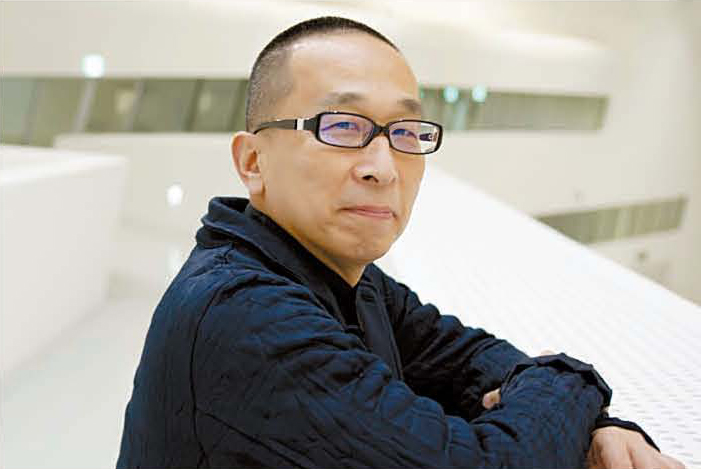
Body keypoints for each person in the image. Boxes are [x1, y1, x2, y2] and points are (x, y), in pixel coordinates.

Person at [116, 16, 686, 469]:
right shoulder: (246, 315)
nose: (384, 167)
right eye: (342, 126)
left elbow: (468, 360)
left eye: (406, 133)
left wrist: (600, 426)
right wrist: (571, 380)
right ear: (253, 161)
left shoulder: (346, 278)